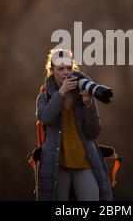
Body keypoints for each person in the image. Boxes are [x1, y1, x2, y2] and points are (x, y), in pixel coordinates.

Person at [35, 48, 113, 201]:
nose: (66, 72)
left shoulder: (84, 91)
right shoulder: (44, 96)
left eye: (69, 68)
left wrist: (88, 104)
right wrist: (61, 93)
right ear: (51, 71)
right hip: (57, 166)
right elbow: (47, 118)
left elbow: (94, 133)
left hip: (84, 163)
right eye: (60, 69)